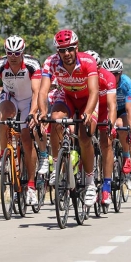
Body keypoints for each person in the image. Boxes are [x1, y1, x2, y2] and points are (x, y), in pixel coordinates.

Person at [0, 35, 47, 206]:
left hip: (30, 100)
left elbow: (37, 92)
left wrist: (32, 113)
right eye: (10, 53)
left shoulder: (32, 64)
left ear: (22, 52)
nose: (13, 56)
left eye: (17, 53)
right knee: (5, 117)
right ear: (6, 52)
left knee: (25, 138)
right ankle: (3, 155)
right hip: (11, 97)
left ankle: (31, 187)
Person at [36, 29, 99, 207]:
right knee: (55, 118)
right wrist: (42, 111)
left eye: (70, 49)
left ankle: (90, 182)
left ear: (76, 47)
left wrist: (88, 112)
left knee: (86, 137)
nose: (66, 53)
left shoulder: (88, 61)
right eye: (62, 50)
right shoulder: (51, 62)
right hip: (68, 97)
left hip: (87, 99)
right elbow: (43, 90)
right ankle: (56, 164)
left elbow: (94, 91)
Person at [85, 51, 117, 206]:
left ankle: (106, 186)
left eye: (96, 67)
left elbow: (112, 105)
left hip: (104, 110)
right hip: (88, 108)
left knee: (106, 143)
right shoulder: (82, 75)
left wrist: (111, 123)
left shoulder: (108, 77)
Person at [102, 58, 131, 190]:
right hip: (109, 109)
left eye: (115, 74)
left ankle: (127, 157)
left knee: (122, 126)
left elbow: (129, 110)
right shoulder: (103, 82)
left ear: (120, 74)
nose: (111, 76)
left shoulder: (126, 83)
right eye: (109, 73)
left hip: (123, 110)